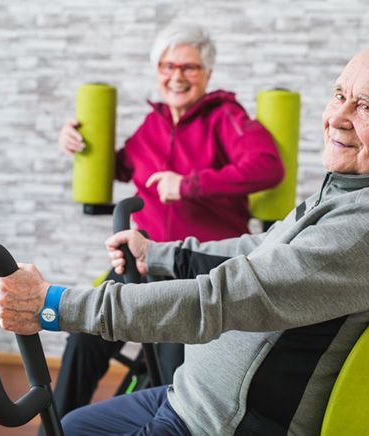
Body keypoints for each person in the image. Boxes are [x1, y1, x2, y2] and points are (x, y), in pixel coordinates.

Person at [0, 45, 369, 435]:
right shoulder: (352, 189)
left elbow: (225, 291)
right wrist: (155, 249)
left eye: (366, 106)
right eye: (339, 96)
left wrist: (52, 305)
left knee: (96, 329)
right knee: (72, 417)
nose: (337, 118)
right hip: (191, 387)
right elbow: (258, 249)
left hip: (217, 420)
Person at [54, 22, 284, 415]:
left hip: (199, 269)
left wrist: (189, 185)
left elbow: (267, 167)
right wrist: (76, 142)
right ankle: (53, 429)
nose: (177, 77)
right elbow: (122, 166)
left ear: (207, 74)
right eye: (167, 66)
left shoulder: (225, 117)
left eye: (189, 68)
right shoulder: (153, 124)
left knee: (171, 366)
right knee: (83, 339)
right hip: (141, 262)